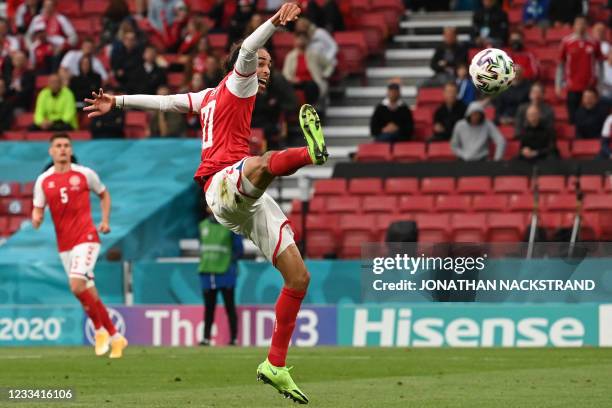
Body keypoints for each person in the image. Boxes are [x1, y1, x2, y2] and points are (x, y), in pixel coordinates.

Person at [84, 3, 324, 404]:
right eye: (262, 63)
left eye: (267, 64)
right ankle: (309, 155)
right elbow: (248, 47)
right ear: (243, 66)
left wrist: (119, 102)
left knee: (299, 278)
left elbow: (165, 104)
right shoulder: (240, 80)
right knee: (263, 162)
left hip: (242, 199)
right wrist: (273, 23)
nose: (265, 69)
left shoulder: (208, 96)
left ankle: (275, 365)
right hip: (221, 185)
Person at [31, 133, 128, 358]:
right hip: (64, 245)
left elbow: (104, 195)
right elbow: (37, 207)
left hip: (87, 237)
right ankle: (116, 337)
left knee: (76, 285)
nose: (62, 149)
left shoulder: (85, 174)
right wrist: (36, 217)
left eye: (66, 145)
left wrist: (104, 221)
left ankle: (99, 330)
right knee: (87, 291)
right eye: (58, 146)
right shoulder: (43, 181)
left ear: (71, 150)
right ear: (51, 151)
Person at [198, 207, 243, 346]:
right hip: (207, 272)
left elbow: (239, 249)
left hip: (225, 273)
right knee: (208, 308)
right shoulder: (202, 226)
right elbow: (202, 247)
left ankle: (234, 339)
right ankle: (206, 338)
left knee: (229, 307)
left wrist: (228, 262)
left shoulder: (231, 226)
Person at [556, 15, 604, 124]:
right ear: (574, 26)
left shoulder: (594, 42)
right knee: (573, 119)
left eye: (583, 23)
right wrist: (558, 85)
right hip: (572, 86)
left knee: (592, 120)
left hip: (590, 87)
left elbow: (600, 65)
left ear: (587, 25)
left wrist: (599, 84)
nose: (580, 26)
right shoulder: (566, 42)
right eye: (578, 23)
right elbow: (561, 65)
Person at [282, 32, 333, 106]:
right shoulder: (290, 56)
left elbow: (329, 65)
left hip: (312, 82)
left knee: (310, 86)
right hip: (296, 82)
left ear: (307, 40)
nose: (301, 41)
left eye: (303, 39)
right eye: (299, 39)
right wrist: (292, 79)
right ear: (295, 41)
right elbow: (285, 73)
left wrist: (325, 74)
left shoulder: (315, 54)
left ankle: (309, 108)